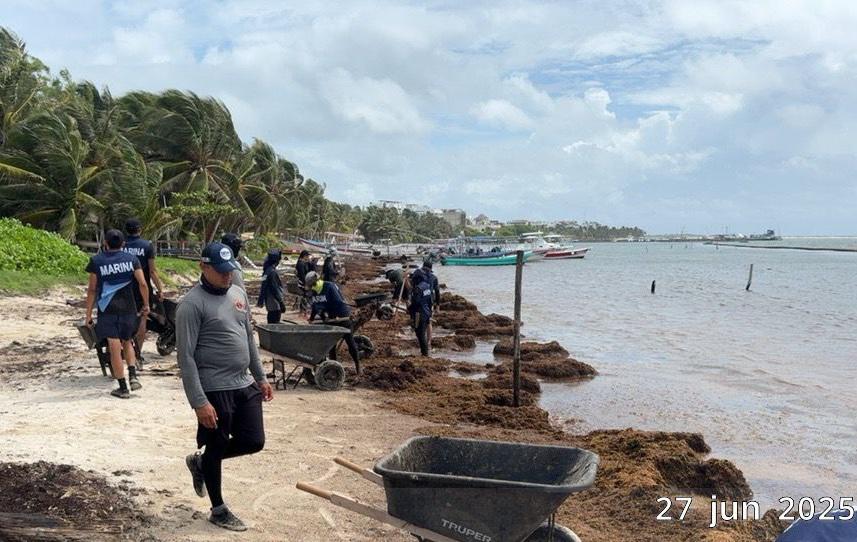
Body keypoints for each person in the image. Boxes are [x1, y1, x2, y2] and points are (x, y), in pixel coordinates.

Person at [176, 242, 274, 532]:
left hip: (244, 382)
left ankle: (201, 463)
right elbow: (186, 358)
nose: (227, 276)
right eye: (220, 272)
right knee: (217, 444)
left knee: (254, 440)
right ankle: (218, 509)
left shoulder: (238, 293)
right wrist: (199, 402)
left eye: (230, 270)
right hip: (214, 388)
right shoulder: (191, 305)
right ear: (203, 267)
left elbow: (248, 340)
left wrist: (261, 377)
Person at [85, 229, 149, 398]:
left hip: (107, 310)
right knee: (127, 341)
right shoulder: (132, 259)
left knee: (114, 347)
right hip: (128, 308)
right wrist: (146, 304)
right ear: (123, 244)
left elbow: (92, 289)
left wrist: (88, 315)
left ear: (105, 243)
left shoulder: (96, 261)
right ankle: (133, 376)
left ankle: (122, 387)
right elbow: (142, 284)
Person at [122, 218, 164, 359]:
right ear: (140, 230)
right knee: (142, 320)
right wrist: (160, 289)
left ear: (126, 230)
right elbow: (152, 271)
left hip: (122, 290)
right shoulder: (147, 246)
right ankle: (137, 353)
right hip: (141, 289)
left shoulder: (120, 245)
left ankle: (123, 348)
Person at [304, 271, 361, 372]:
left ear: (316, 283)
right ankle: (334, 367)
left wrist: (327, 313)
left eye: (312, 286)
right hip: (330, 318)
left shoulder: (329, 287)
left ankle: (357, 365)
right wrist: (313, 318)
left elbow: (337, 302)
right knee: (331, 344)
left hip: (342, 316)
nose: (311, 288)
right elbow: (315, 305)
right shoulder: (314, 291)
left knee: (350, 341)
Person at [408, 259, 440, 356]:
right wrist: (437, 305)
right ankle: (428, 343)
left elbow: (411, 289)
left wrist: (410, 308)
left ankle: (425, 351)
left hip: (420, 303)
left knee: (419, 330)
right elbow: (437, 292)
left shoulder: (417, 274)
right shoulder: (433, 278)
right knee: (428, 321)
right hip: (428, 302)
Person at [257, 249, 285, 323]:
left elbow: (263, 286)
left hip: (269, 303)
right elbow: (275, 289)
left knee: (270, 319)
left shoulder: (266, 271)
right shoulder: (272, 272)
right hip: (274, 303)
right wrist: (281, 302)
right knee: (275, 322)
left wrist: (261, 300)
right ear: (276, 260)